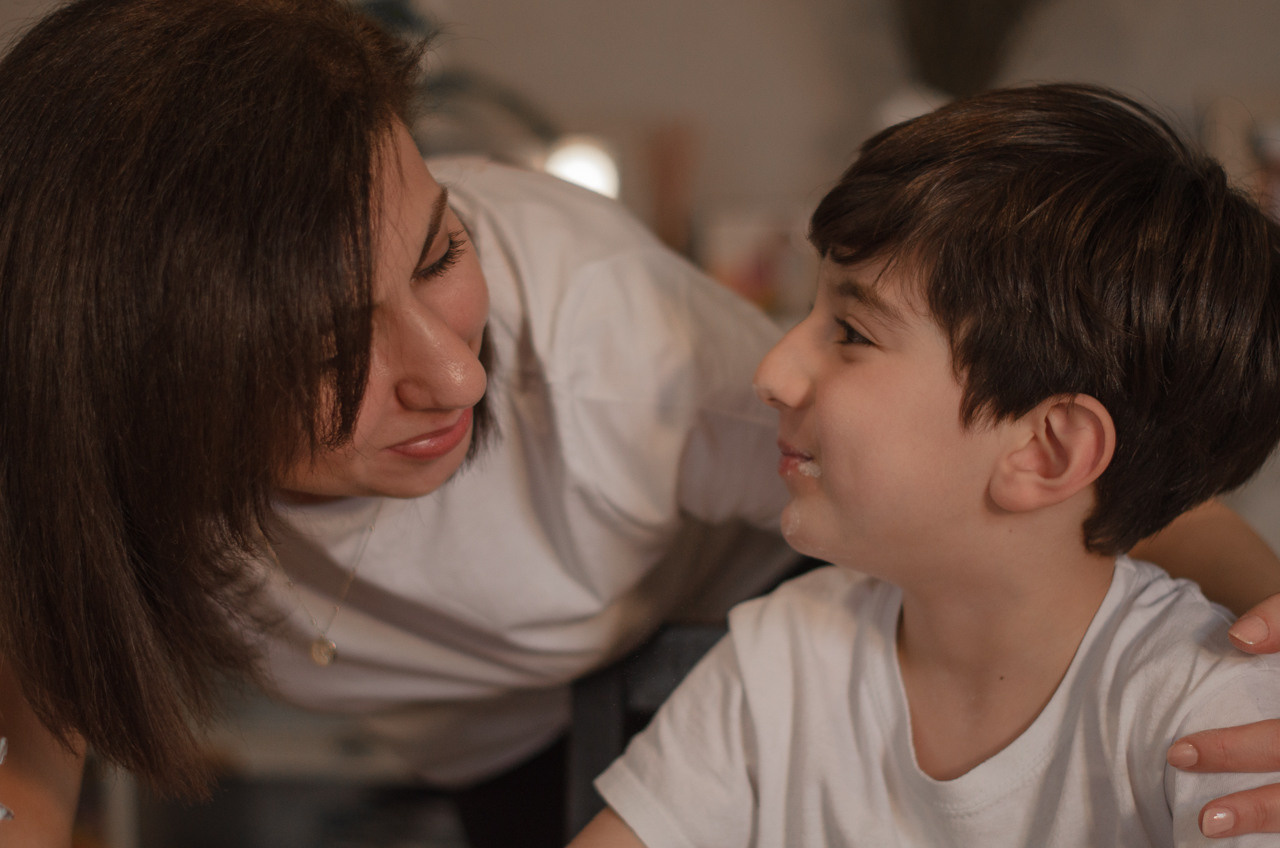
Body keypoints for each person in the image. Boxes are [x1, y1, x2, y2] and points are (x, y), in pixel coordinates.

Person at [0, 2, 1277, 845]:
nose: (453, 375)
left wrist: (1267, 625)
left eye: (442, 248)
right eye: (328, 350)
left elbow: (1097, 491)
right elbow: (54, 661)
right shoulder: (780, 666)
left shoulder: (635, 369)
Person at [569, 84, 1280, 847]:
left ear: (1046, 451)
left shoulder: (1215, 718)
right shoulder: (782, 658)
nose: (772, 371)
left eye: (850, 331)